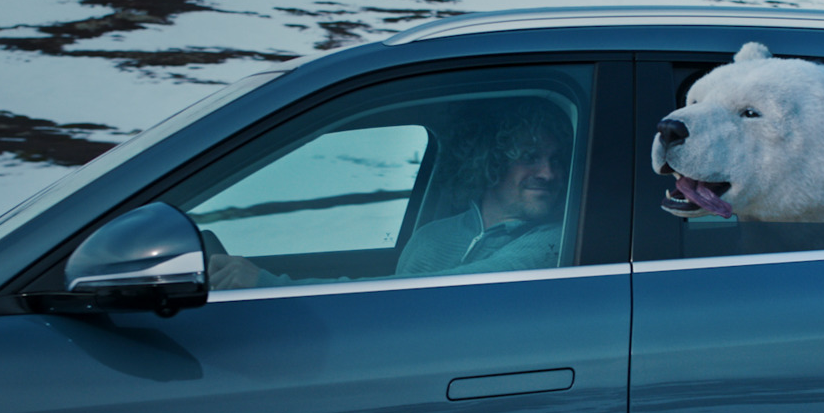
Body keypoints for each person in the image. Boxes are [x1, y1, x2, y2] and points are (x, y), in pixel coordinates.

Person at [207, 100, 571, 289]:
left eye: (556, 160)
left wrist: (267, 286)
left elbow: (435, 297)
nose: (549, 173)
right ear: (492, 161)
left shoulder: (555, 243)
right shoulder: (431, 238)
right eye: (530, 157)